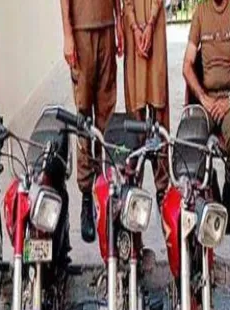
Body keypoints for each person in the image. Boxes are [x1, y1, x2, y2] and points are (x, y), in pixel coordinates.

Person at [182, 0, 230, 234]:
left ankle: (228, 188)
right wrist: (203, 98)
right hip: (207, 99)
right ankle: (207, 185)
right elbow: (187, 65)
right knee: (190, 141)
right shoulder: (201, 12)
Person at [59, 0, 124, 243]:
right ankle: (87, 194)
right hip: (81, 31)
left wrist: (118, 22)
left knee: (107, 114)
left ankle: (106, 190)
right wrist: (68, 34)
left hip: (107, 27)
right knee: (84, 118)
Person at [123, 0, 170, 206]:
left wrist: (150, 24)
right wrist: (135, 28)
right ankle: (134, 183)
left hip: (155, 25)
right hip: (132, 29)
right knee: (135, 108)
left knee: (159, 108)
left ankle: (162, 187)